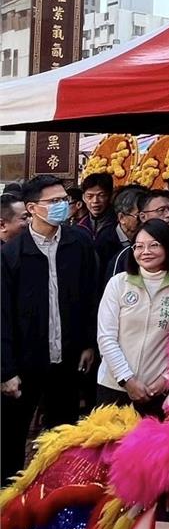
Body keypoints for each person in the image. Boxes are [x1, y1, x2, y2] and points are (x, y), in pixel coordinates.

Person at [1, 175, 98, 482]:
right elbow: (3, 316)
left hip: (67, 359)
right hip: (25, 364)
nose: (62, 206)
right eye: (54, 201)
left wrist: (88, 343)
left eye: (64, 200)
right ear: (32, 208)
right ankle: (8, 499)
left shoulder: (79, 243)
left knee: (63, 436)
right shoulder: (12, 254)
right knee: (12, 439)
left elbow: (90, 296)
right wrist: (6, 370)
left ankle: (56, 495)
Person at [95, 219, 169, 416]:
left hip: (157, 389)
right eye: (139, 246)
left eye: (154, 245)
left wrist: (166, 379)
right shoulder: (118, 283)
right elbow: (106, 337)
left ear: (168, 247)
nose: (145, 252)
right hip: (114, 386)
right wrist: (127, 380)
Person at [97, 186, 146, 282]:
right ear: (122, 218)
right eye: (139, 216)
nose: (144, 220)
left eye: (146, 215)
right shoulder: (104, 242)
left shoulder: (148, 237)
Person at [77, 172, 115, 242]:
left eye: (101, 195)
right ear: (83, 198)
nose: (95, 201)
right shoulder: (80, 226)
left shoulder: (119, 224)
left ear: (110, 196)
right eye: (90, 196)